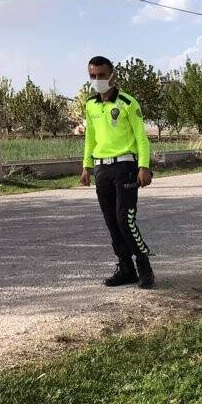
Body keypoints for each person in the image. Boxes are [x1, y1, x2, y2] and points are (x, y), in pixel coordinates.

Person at [79, 55, 155, 289]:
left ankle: (144, 266)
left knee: (125, 219)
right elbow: (90, 137)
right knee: (111, 221)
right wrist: (87, 166)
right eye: (93, 76)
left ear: (112, 75)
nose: (97, 80)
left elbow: (142, 138)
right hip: (102, 168)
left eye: (101, 75)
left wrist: (144, 166)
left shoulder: (127, 103)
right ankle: (125, 268)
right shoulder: (91, 105)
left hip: (126, 167)